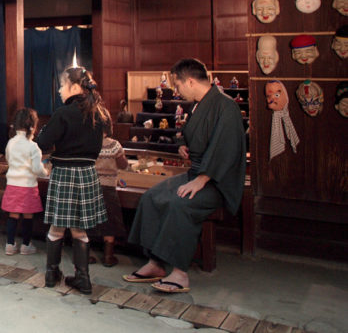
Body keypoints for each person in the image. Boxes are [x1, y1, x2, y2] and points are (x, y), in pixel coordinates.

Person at [123, 58, 245, 294]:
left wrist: (203, 179)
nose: (177, 91)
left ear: (190, 81)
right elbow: (187, 134)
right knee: (152, 197)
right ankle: (156, 263)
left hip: (217, 181)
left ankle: (180, 273)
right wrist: (182, 146)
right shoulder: (198, 105)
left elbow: (226, 148)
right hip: (196, 172)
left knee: (181, 204)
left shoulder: (226, 106)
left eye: (177, 85)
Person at [35, 67, 111, 295]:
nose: (59, 90)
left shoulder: (63, 113)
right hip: (87, 173)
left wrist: (45, 132)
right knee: (80, 231)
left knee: (56, 228)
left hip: (64, 174)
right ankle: (83, 278)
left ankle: (51, 274)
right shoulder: (99, 113)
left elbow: (43, 142)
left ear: (75, 87)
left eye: (62, 85)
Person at [1, 108, 49, 255]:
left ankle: (10, 244)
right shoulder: (33, 146)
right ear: (33, 127)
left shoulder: (11, 143)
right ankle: (26, 245)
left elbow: (8, 159)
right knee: (28, 215)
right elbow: (37, 169)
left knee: (13, 215)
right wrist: (46, 171)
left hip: (12, 185)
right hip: (28, 186)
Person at [87, 135, 128, 267]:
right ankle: (108, 257)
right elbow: (123, 165)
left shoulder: (88, 140)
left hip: (89, 186)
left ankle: (85, 254)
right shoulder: (114, 145)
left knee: (87, 219)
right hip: (108, 188)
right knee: (109, 220)